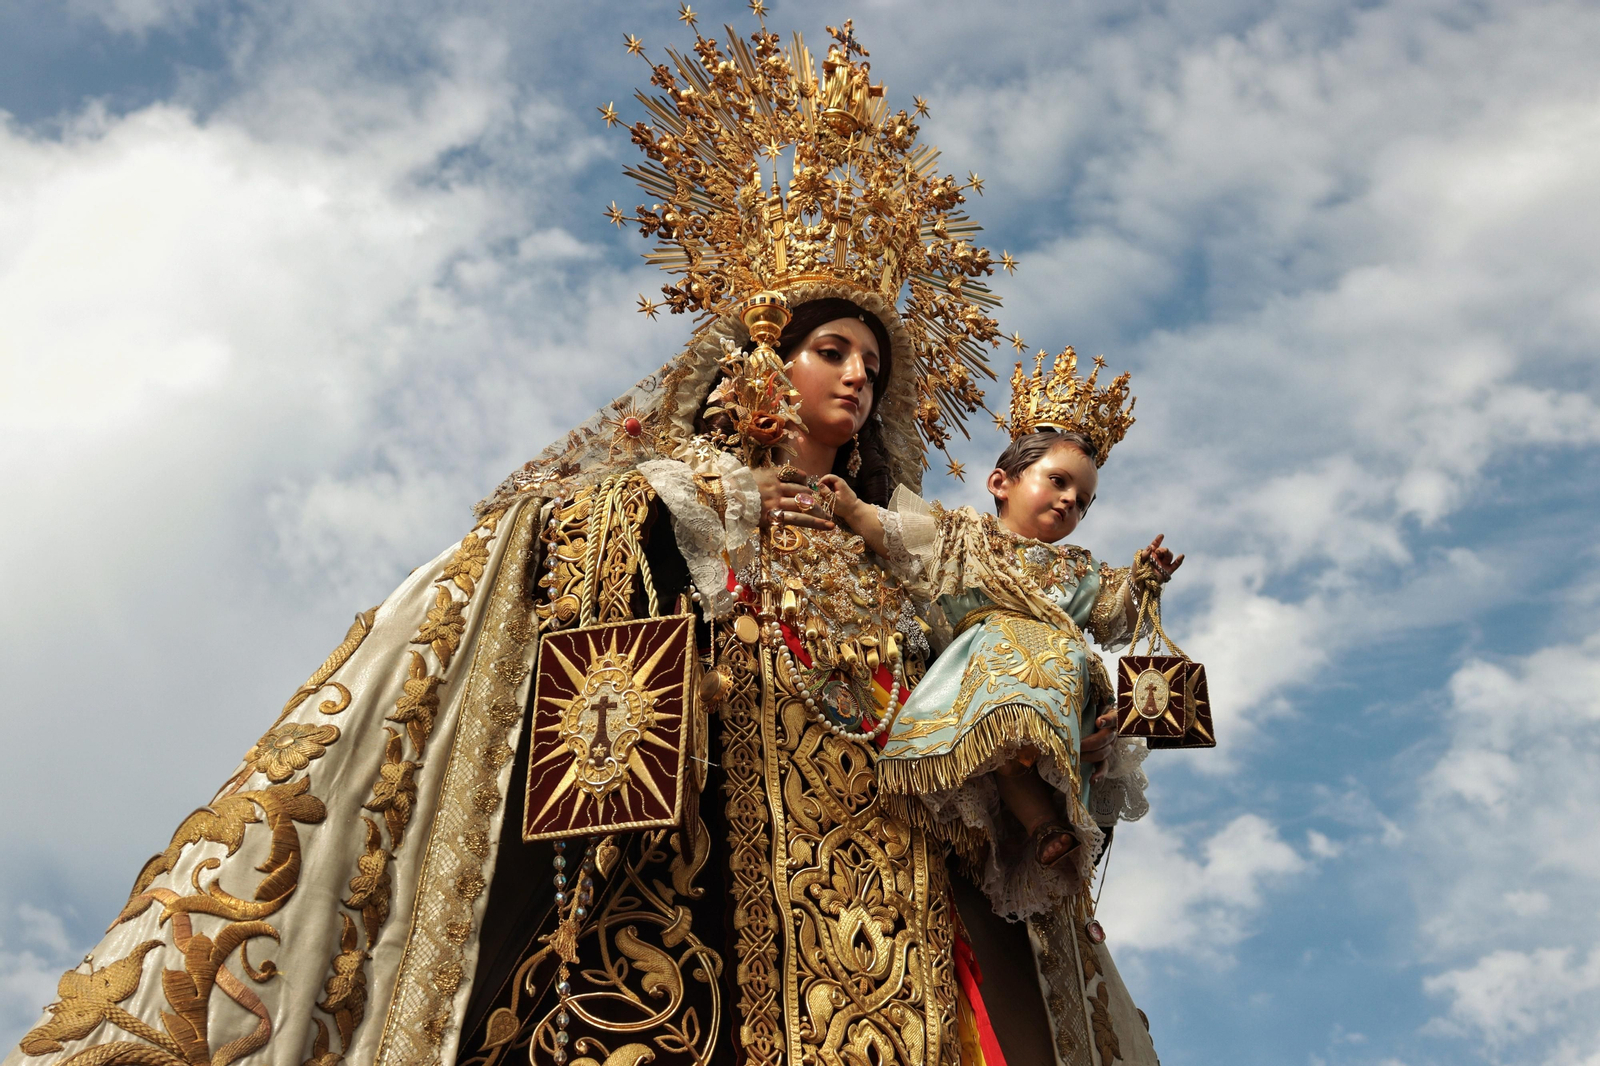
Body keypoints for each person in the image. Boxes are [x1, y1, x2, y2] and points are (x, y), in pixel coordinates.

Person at [7, 20, 1162, 1066]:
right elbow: (559, 555)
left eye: (872, 361)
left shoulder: (903, 547)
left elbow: (984, 672)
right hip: (719, 863)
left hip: (900, 890)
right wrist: (667, 536)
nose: (858, 376)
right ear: (764, 360)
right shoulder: (678, 496)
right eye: (832, 351)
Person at [820, 347, 1183, 921]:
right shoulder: (966, 536)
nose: (1069, 502)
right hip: (987, 671)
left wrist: (1143, 580)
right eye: (1058, 482)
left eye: (1083, 501)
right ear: (1000, 481)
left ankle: (1059, 838)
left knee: (1037, 746)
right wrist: (851, 508)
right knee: (1005, 751)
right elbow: (902, 536)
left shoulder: (1079, 569)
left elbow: (1113, 617)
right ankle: (1040, 825)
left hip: (1062, 689)